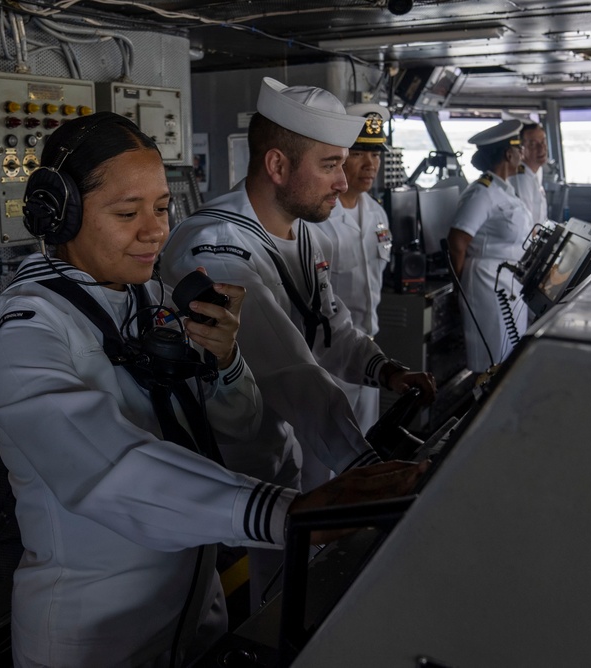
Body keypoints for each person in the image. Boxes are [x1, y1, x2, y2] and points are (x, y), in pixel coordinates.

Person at [0, 112, 427, 667]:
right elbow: (106, 467)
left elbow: (245, 444)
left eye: (162, 208)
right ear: (59, 215)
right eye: (127, 213)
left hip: (197, 612)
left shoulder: (158, 302)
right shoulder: (22, 329)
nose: (156, 231)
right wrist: (286, 512)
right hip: (94, 636)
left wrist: (226, 367)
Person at [159, 79, 436, 604]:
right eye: (330, 165)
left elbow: (329, 326)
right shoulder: (218, 247)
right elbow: (293, 372)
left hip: (275, 443)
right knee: (266, 603)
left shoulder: (302, 232)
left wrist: (385, 370)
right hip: (221, 463)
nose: (343, 181)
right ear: (279, 167)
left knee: (292, 586)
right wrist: (371, 470)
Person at [312, 103, 393, 432]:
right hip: (326, 356)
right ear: (341, 157)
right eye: (360, 153)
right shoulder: (317, 218)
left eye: (375, 154)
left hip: (368, 348)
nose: (370, 164)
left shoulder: (377, 214)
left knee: (365, 443)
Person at [447, 119, 533, 373]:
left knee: (510, 358)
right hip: (485, 281)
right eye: (520, 149)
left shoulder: (503, 189)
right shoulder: (482, 192)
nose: (523, 154)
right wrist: (461, 285)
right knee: (492, 361)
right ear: (509, 153)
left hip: (509, 280)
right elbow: (457, 241)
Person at [510, 122, 549, 227]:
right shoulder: (522, 178)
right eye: (533, 144)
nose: (542, 148)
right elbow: (526, 225)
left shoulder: (536, 171)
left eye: (543, 141)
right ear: (521, 149)